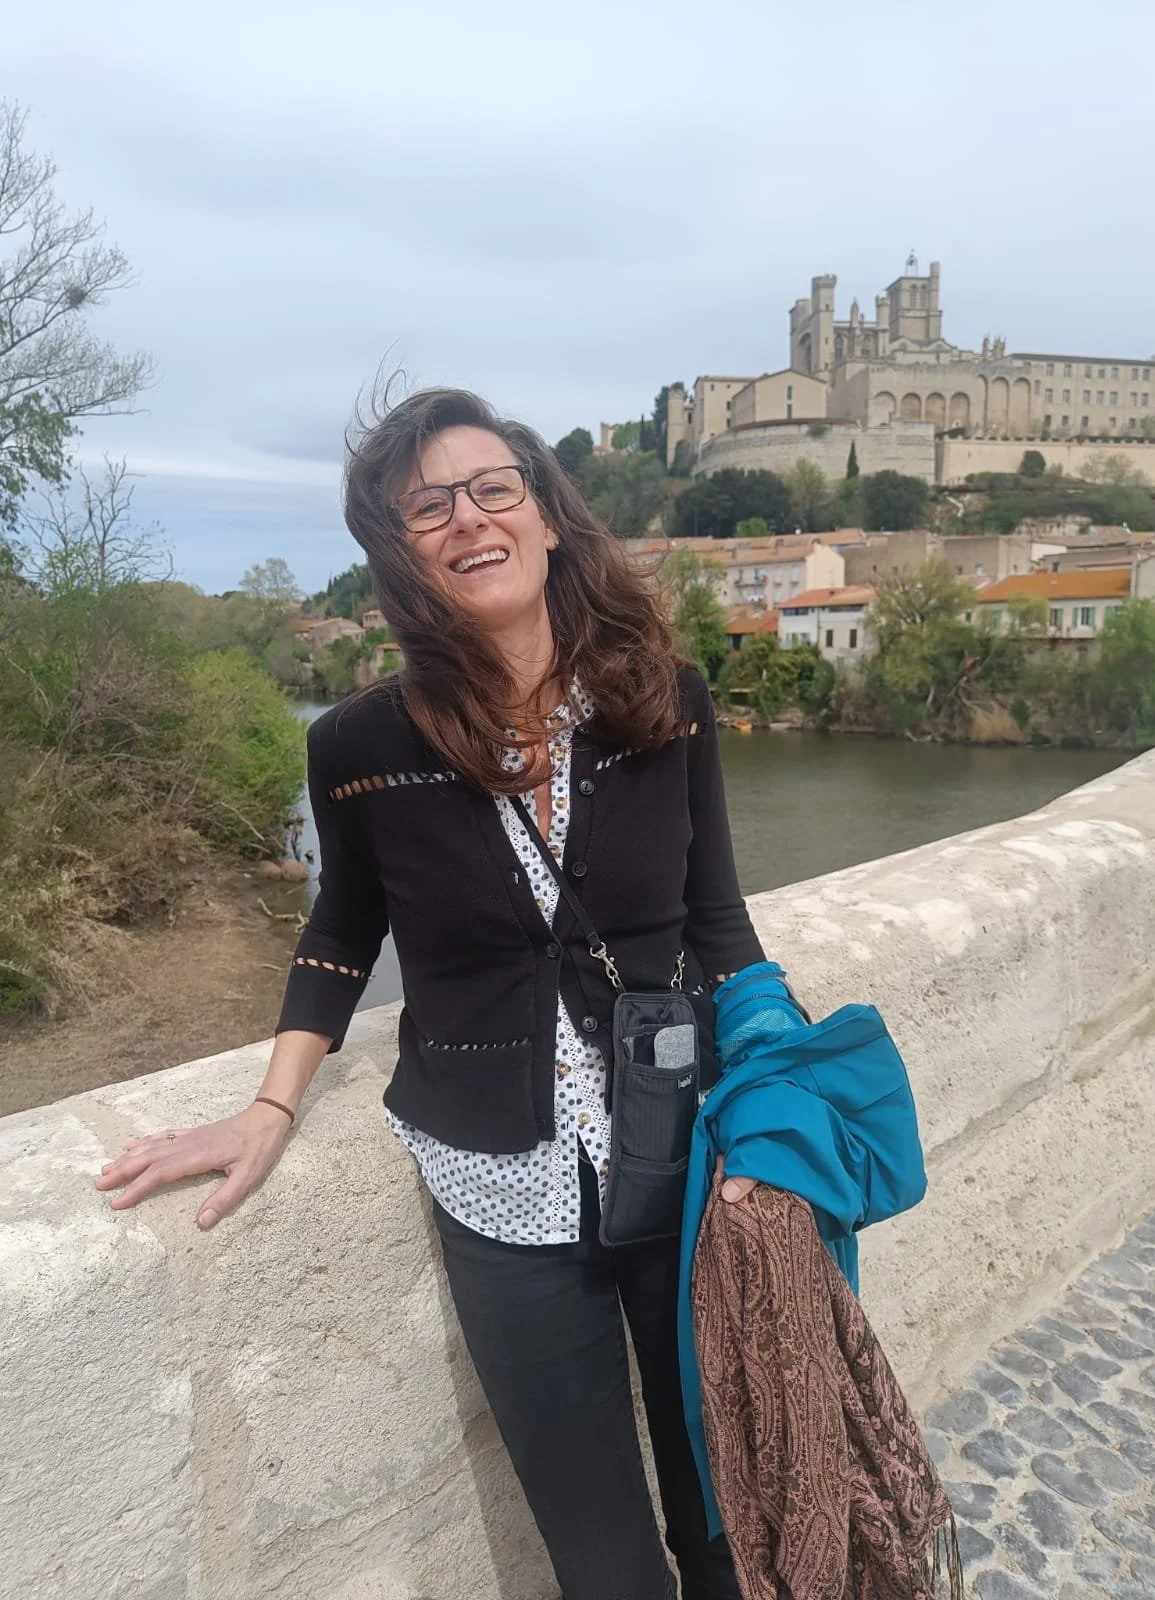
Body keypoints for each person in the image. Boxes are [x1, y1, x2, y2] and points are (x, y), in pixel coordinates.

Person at [96, 387, 765, 1600]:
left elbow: (718, 919)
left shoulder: (666, 699)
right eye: (427, 507)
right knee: (605, 1562)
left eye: (494, 486)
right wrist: (271, 1105)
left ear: (548, 515)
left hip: (685, 1158)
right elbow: (342, 928)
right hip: (497, 1189)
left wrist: (773, 1096)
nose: (468, 516)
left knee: (727, 1515)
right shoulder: (357, 746)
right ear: (400, 555)